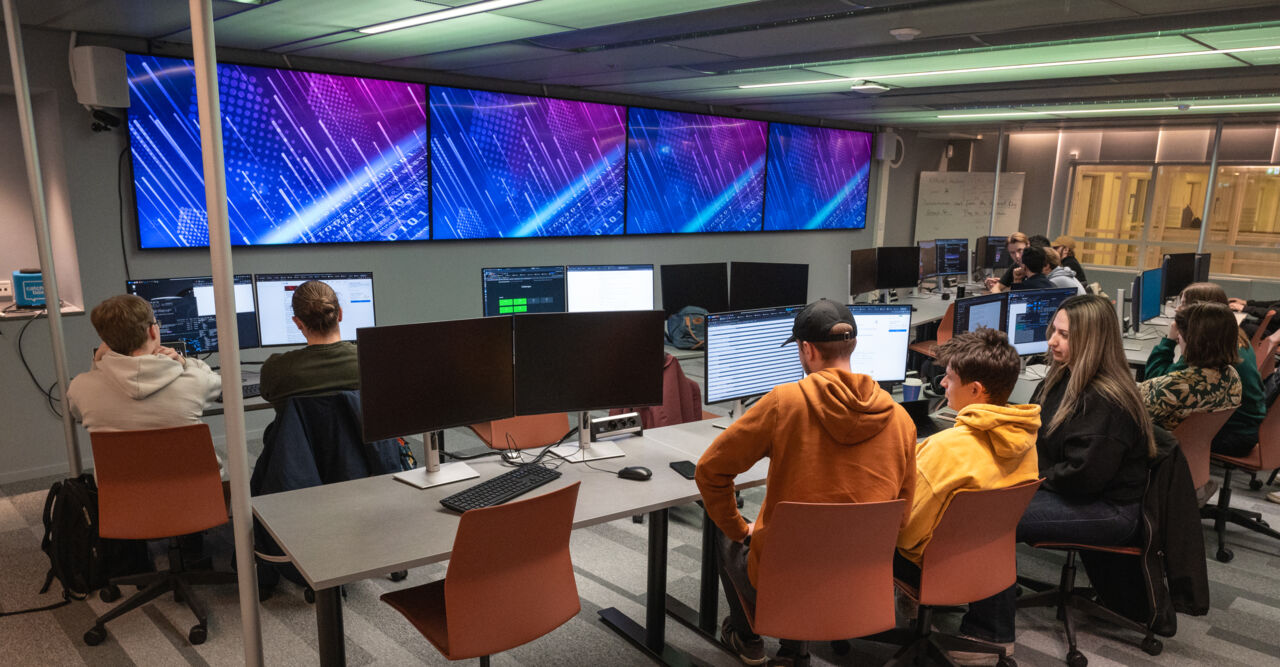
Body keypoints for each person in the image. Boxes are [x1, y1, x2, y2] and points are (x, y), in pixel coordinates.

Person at [695, 299, 916, 667]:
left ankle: (747, 638)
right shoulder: (900, 419)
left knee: (724, 526)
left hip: (783, 579)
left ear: (807, 349)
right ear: (855, 345)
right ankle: (793, 637)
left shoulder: (785, 403)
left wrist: (740, 529)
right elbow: (903, 515)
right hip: (860, 578)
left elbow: (710, 471)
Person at [971, 295, 1156, 657]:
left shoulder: (1105, 400)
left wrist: (1023, 481)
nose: (1052, 341)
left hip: (1108, 509)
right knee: (981, 497)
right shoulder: (1066, 378)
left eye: (1065, 335)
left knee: (994, 519)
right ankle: (972, 590)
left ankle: (989, 635)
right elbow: (1042, 436)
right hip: (1079, 490)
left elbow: (1083, 478)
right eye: (1053, 331)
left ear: (1092, 342)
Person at [895, 327, 1040, 660]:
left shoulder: (945, 449)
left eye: (948, 378)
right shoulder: (1025, 442)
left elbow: (905, 532)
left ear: (975, 389)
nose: (942, 384)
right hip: (990, 560)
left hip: (936, 566)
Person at [67, 294, 221, 431]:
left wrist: (97, 363)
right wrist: (183, 362)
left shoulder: (80, 388)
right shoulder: (194, 382)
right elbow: (217, 384)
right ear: (152, 331)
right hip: (187, 464)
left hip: (123, 465)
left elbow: (78, 415)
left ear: (105, 341)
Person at [1146, 283, 1264, 457]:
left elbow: (1161, 381)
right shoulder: (1229, 348)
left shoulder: (1194, 372)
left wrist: (1169, 341)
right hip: (1245, 428)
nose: (1178, 309)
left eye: (1185, 304)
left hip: (1233, 435)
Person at [1138, 301, 1242, 433]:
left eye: (1180, 334)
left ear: (1194, 340)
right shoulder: (1232, 376)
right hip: (1194, 446)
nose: (1178, 338)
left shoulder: (1176, 385)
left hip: (1161, 449)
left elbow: (1132, 422)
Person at [259, 280, 359, 414]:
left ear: (298, 323)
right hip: (357, 435)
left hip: (299, 436)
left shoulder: (275, 370)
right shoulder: (369, 361)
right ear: (340, 314)